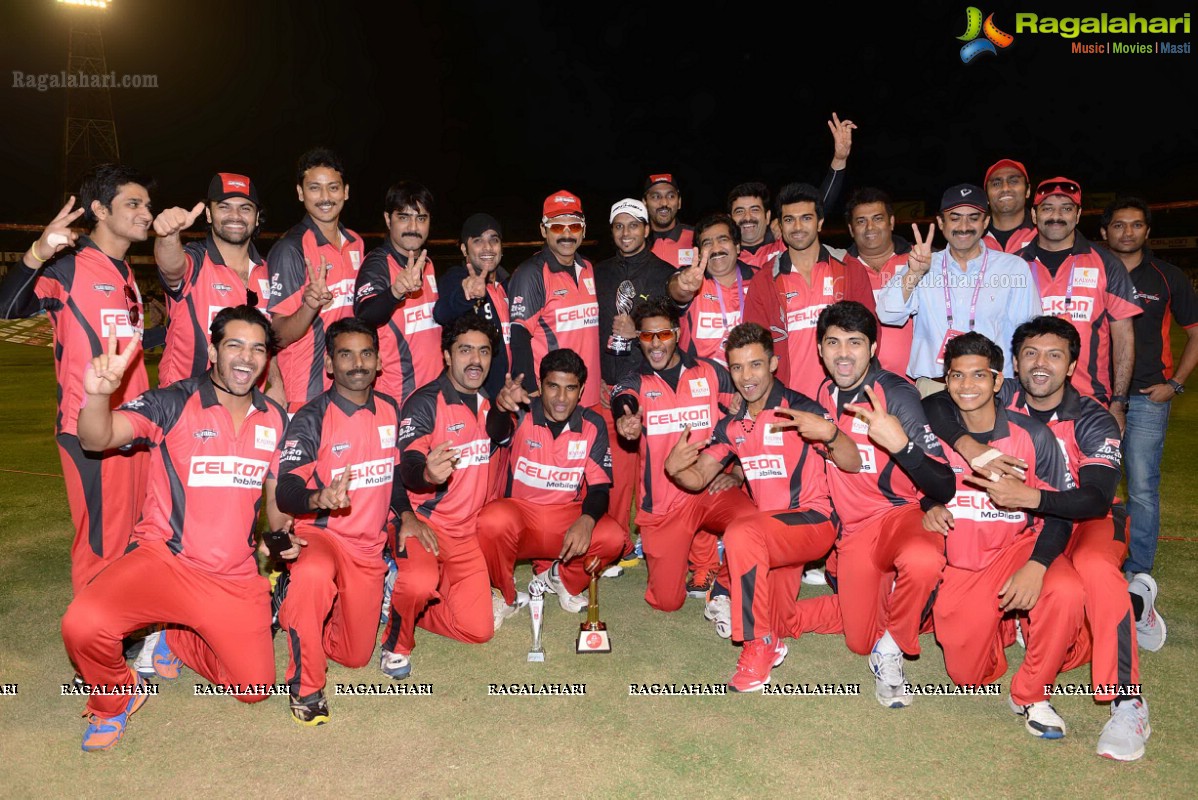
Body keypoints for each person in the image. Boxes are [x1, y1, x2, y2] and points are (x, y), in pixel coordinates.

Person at [923, 316, 1155, 761]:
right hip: (1029, 527)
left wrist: (1029, 495)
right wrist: (971, 447)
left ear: (1071, 366)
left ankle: (1127, 699)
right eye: (1030, 353)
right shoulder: (1000, 392)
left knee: (1092, 573)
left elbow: (1094, 497)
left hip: (1087, 520)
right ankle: (1043, 621)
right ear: (1014, 364)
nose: (1041, 364)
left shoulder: (1091, 418)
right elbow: (935, 406)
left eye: (1054, 354)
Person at [60, 305, 288, 751]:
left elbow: (276, 506)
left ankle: (177, 638)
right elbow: (96, 438)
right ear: (214, 348)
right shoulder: (174, 400)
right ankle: (115, 700)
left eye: (258, 349)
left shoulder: (275, 419)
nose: (246, 358)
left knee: (254, 689)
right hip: (165, 561)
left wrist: (286, 534)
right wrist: (98, 396)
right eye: (235, 345)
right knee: (83, 624)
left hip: (234, 575)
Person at [664, 323, 860, 691]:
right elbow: (699, 477)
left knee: (742, 531)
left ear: (773, 364)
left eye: (755, 365)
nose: (746, 376)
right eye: (737, 367)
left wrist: (831, 433)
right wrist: (673, 468)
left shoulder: (800, 409)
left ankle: (759, 643)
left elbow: (851, 462)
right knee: (780, 617)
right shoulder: (734, 425)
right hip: (772, 535)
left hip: (813, 523)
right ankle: (864, 611)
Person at [923, 332, 1087, 744]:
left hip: (1018, 547)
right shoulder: (935, 428)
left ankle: (1033, 693)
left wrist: (1037, 564)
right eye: (957, 376)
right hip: (965, 563)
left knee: (1064, 591)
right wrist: (929, 504)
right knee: (967, 676)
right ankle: (1002, 627)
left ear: (998, 382)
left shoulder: (1034, 436)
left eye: (979, 375)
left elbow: (1060, 510)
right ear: (946, 381)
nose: (967, 385)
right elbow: (916, 478)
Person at [790, 301, 956, 708]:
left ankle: (896, 644)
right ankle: (899, 608)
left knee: (921, 561)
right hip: (854, 532)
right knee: (859, 640)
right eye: (833, 343)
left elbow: (944, 483)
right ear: (818, 349)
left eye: (855, 343)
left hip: (897, 516)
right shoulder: (823, 393)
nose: (843, 353)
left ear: (873, 346)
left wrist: (900, 443)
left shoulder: (896, 393)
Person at [0, 164, 152, 593]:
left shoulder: (124, 273)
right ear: (100, 209)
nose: (145, 213)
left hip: (133, 424)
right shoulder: (70, 268)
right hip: (88, 426)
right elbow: (8, 309)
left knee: (133, 534)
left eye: (147, 205)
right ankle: (95, 651)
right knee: (101, 543)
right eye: (133, 204)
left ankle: (127, 628)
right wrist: (37, 252)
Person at [270, 317, 424, 725]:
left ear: (378, 363)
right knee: (314, 575)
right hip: (320, 534)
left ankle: (294, 607)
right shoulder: (311, 416)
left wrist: (406, 513)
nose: (357, 363)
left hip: (366, 547)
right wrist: (318, 497)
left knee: (355, 657)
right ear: (330, 365)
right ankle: (306, 687)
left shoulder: (390, 409)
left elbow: (390, 479)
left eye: (366, 354)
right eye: (346, 354)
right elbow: (286, 490)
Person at [379, 316, 513, 679]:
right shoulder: (425, 402)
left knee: (479, 630)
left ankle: (400, 603)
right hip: (425, 525)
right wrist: (426, 474)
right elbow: (404, 465)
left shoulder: (487, 401)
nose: (475, 360)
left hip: (466, 534)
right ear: (446, 356)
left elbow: (503, 436)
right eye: (465, 350)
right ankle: (397, 643)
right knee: (420, 582)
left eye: (483, 351)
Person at [612, 298, 756, 613]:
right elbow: (624, 399)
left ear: (676, 333)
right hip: (663, 505)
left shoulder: (708, 371)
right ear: (639, 339)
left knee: (753, 523)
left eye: (663, 334)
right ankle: (689, 556)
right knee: (666, 602)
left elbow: (749, 408)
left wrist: (736, 472)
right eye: (647, 337)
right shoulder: (635, 379)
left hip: (707, 488)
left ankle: (718, 579)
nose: (655, 344)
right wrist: (626, 418)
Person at [477, 348, 624, 628]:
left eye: (570, 388)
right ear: (540, 387)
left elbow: (600, 487)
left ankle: (560, 577)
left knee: (613, 537)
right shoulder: (521, 412)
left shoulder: (592, 425)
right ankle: (503, 595)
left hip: (564, 521)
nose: (560, 398)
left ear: (581, 392)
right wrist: (499, 407)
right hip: (519, 519)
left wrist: (587, 519)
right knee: (490, 521)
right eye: (553, 386)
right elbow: (496, 432)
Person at [1100, 197, 1198, 580]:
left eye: (1136, 225)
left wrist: (1175, 384)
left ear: (1147, 231)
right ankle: (1096, 561)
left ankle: (1138, 571)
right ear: (1104, 232)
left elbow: (1194, 334)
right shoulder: (1093, 272)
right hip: (1093, 398)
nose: (1128, 232)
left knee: (1141, 486)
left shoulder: (1167, 275)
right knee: (1092, 482)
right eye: (1119, 225)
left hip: (1146, 399)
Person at [876, 184, 1041, 391]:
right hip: (935, 387)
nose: (964, 226)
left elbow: (1030, 335)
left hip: (992, 389)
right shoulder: (923, 263)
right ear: (941, 222)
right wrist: (914, 274)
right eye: (955, 218)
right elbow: (887, 314)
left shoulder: (1013, 268)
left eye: (973, 217)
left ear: (985, 222)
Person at [593, 198, 675, 558]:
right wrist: (596, 372)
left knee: (655, 470)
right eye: (618, 226)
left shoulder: (664, 274)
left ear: (646, 229)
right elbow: (588, 329)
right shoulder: (597, 272)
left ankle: (658, 540)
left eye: (633, 225)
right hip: (608, 384)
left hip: (650, 384)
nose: (626, 233)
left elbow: (673, 332)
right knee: (617, 474)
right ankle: (618, 544)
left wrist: (636, 330)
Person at [1021, 177, 1140, 415]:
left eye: (1066, 209)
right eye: (1047, 208)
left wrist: (1118, 402)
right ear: (1034, 215)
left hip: (1090, 401)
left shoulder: (1108, 264)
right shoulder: (1014, 264)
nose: (1056, 216)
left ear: (1078, 215)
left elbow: (1124, 340)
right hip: (1024, 401)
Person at [267, 147, 365, 412]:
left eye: (333, 188)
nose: (325, 197)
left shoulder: (356, 243)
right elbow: (276, 335)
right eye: (314, 188)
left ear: (346, 191)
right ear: (300, 193)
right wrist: (309, 305)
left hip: (348, 388)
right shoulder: (290, 248)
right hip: (304, 393)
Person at [153, 172, 269, 386]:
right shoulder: (195, 260)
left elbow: (274, 340)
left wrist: (277, 382)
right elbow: (172, 268)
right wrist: (168, 235)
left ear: (256, 216)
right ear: (208, 214)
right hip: (185, 404)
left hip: (245, 407)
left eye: (245, 208)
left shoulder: (268, 271)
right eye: (224, 207)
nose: (235, 215)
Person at [743, 182, 846, 399]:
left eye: (806, 218)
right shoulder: (764, 281)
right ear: (780, 227)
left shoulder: (849, 268)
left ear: (820, 223)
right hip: (789, 403)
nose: (797, 227)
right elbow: (754, 348)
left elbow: (871, 332)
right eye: (789, 220)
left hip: (845, 399)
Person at [727, 113, 858, 270]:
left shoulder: (786, 241)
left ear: (768, 216)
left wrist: (839, 159)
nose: (747, 217)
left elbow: (818, 205)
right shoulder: (723, 255)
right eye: (739, 211)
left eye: (754, 209)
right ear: (729, 219)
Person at [507, 190, 601, 407]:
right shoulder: (531, 273)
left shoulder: (588, 268)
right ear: (543, 230)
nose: (567, 234)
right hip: (553, 401)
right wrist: (531, 392)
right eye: (558, 227)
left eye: (574, 226)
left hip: (590, 396)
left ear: (584, 230)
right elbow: (519, 338)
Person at [354, 181, 442, 406]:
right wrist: (395, 291)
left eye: (421, 218)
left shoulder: (428, 264)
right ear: (387, 219)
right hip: (397, 400)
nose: (413, 226)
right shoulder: (378, 263)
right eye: (404, 217)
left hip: (432, 395)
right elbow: (364, 316)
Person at [434, 213, 511, 400]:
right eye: (478, 241)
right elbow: (441, 313)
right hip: (474, 397)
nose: (487, 247)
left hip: (509, 396)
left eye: (494, 240)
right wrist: (465, 295)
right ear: (464, 249)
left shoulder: (509, 284)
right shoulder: (456, 279)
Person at [839, 187, 915, 376]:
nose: (870, 227)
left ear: (891, 222)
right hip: (859, 383)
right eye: (861, 221)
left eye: (877, 218)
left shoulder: (919, 260)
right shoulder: (839, 269)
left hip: (918, 383)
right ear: (851, 229)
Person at [669, 212, 757, 367]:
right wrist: (683, 286)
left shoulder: (759, 278)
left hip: (751, 379)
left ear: (737, 247)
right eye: (707, 243)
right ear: (700, 251)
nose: (716, 248)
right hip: (702, 385)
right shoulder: (693, 279)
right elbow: (677, 291)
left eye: (723, 240)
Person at [982, 159, 1037, 254]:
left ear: (1027, 191)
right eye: (996, 183)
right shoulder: (973, 239)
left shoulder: (1044, 235)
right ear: (986, 196)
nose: (1005, 188)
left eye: (1013, 181)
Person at [643, 173, 695, 269]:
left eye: (671, 196)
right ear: (645, 203)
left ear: (679, 202)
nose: (664, 203)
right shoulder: (637, 241)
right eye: (655, 196)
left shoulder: (697, 237)